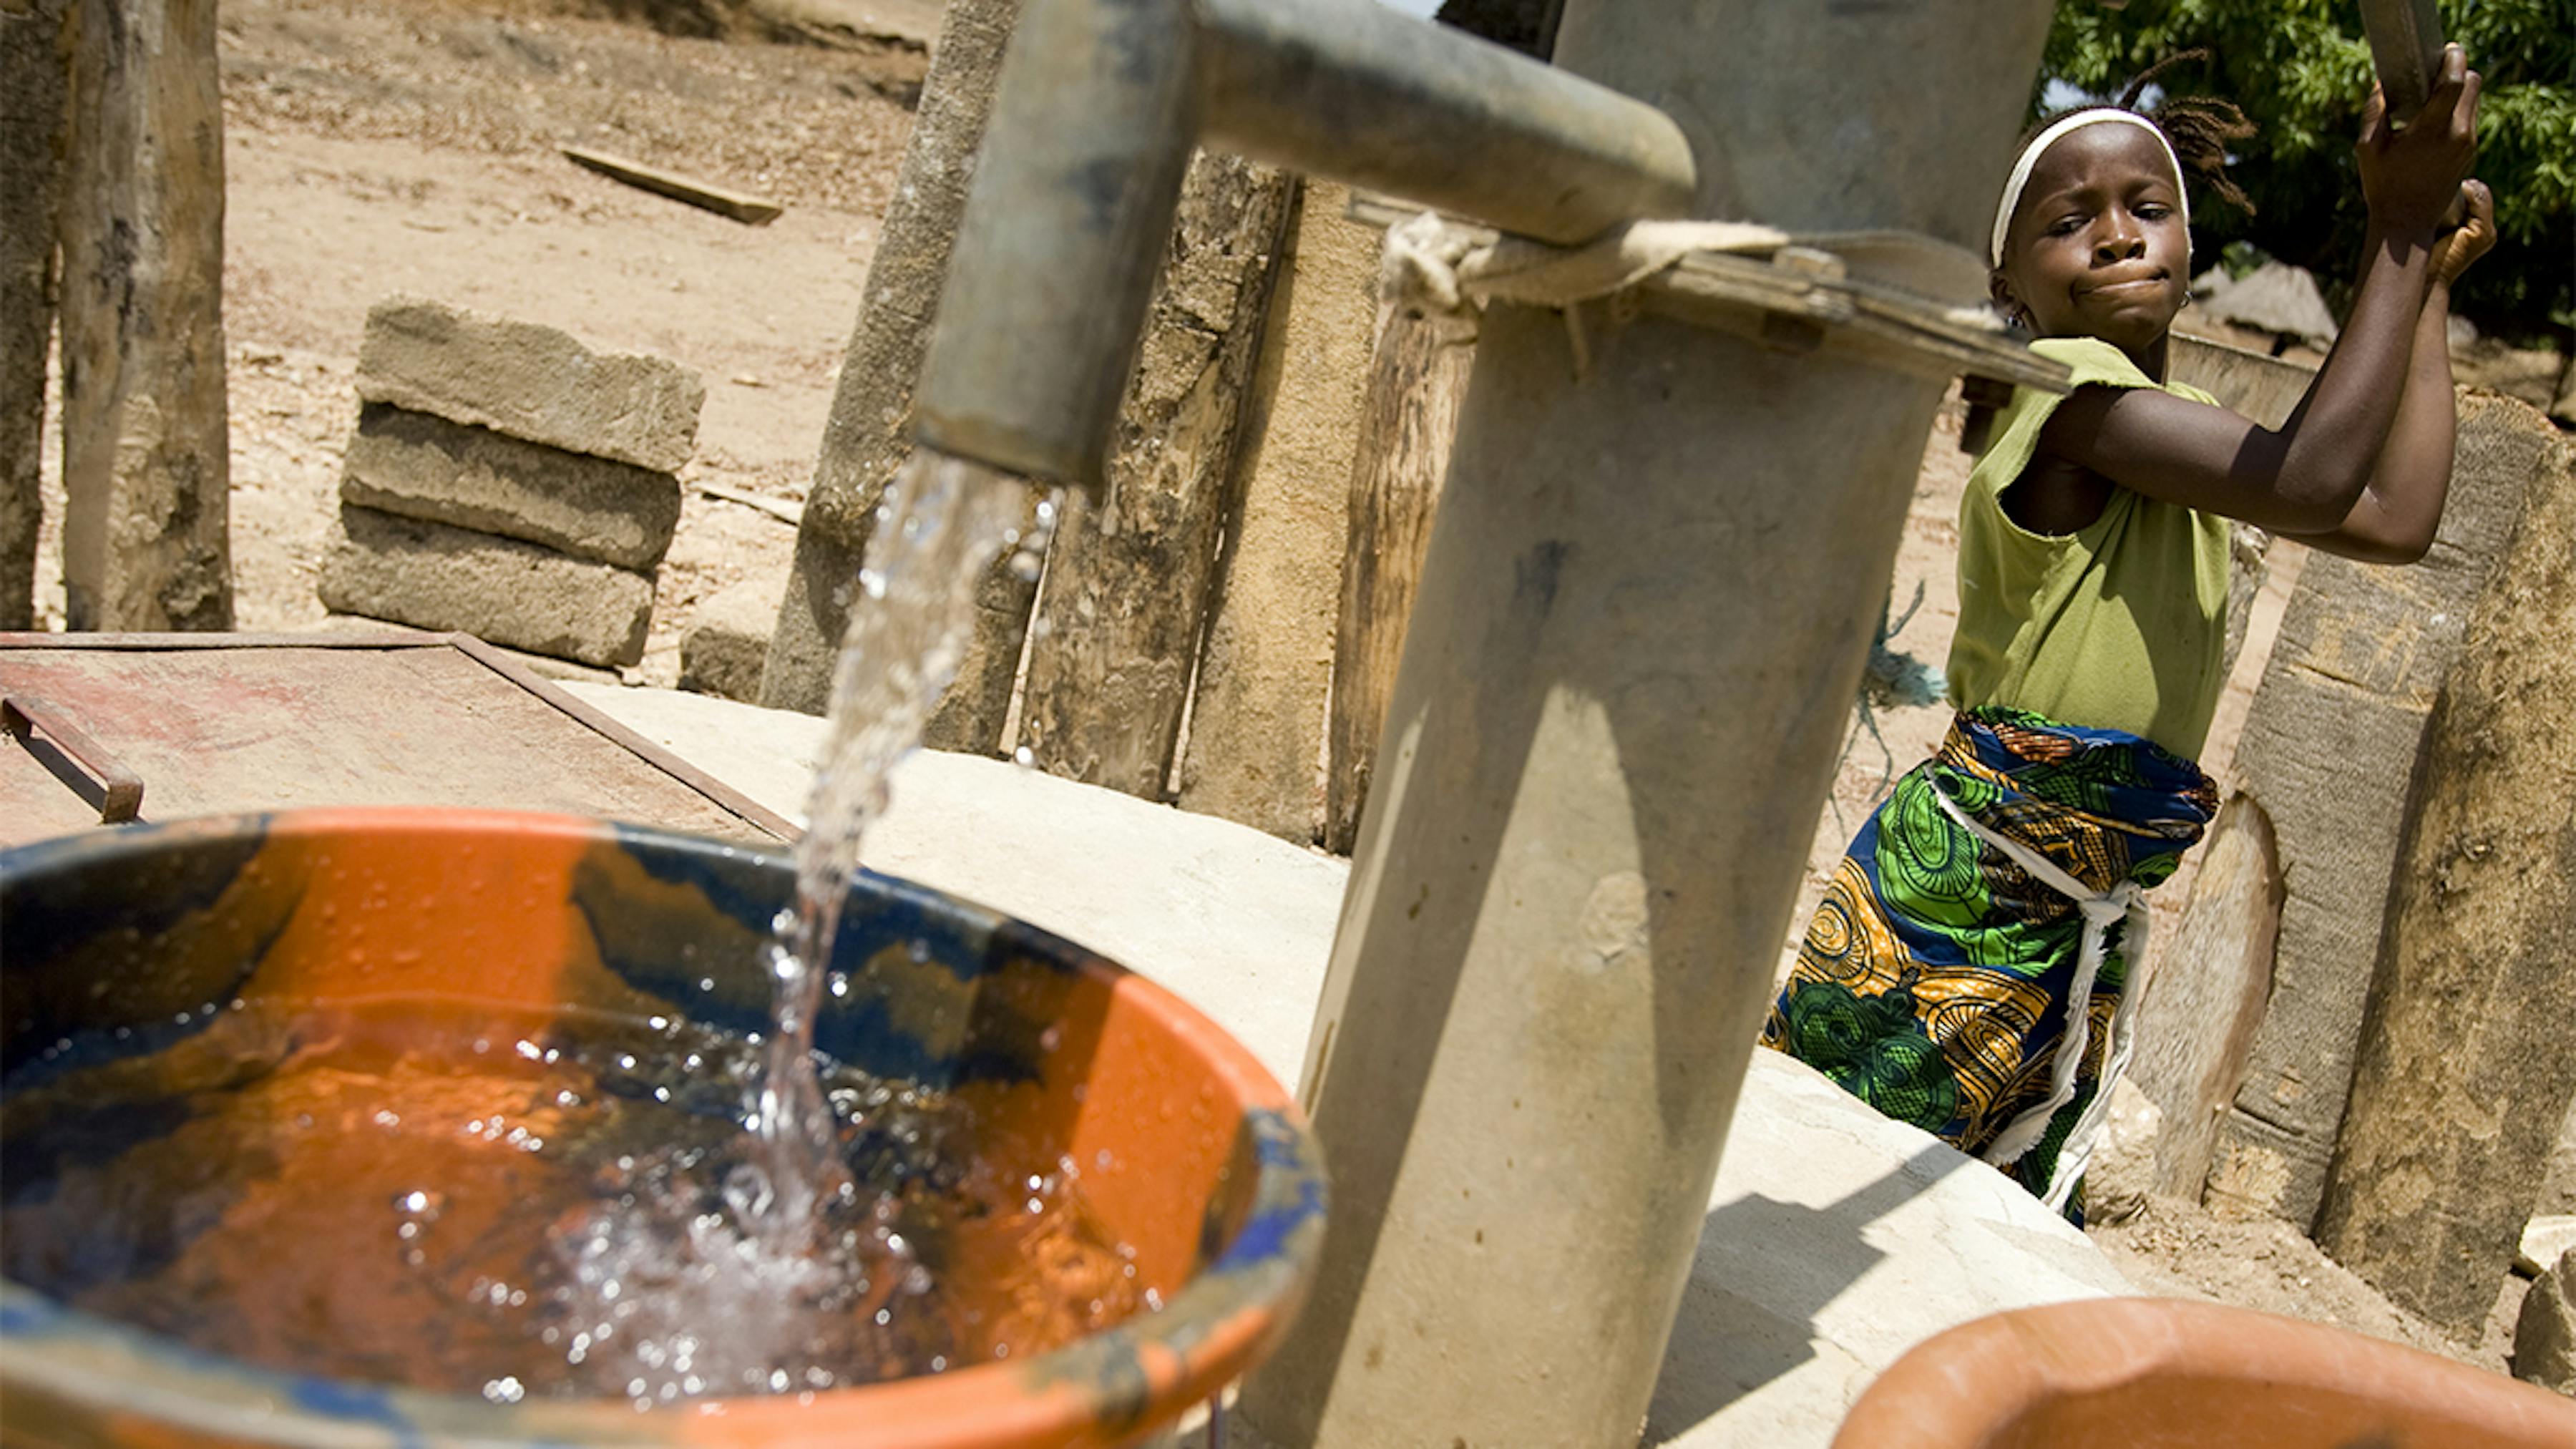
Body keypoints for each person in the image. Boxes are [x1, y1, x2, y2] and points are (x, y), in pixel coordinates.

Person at [1761, 47, 2494, 1219]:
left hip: (2071, 904)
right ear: (2011, 281)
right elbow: (2312, 481)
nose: (2114, 234)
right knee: (1829, 1173)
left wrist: (2426, 283)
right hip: (1974, 894)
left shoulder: (2183, 436)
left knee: (1960, 1219)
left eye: (2146, 208)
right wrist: (2396, 234)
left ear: (2190, 246)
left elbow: (2396, 517)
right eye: (2070, 220)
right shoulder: (2062, 391)